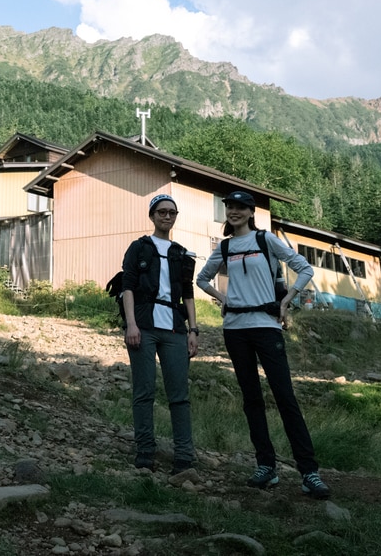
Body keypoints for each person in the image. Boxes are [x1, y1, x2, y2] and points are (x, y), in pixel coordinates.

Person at [195, 190, 332, 499]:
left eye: (241, 207)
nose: (234, 211)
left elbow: (304, 268)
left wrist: (286, 300)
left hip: (267, 327)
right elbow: (202, 279)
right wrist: (223, 299)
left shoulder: (265, 240)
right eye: (230, 206)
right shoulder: (226, 247)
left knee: (285, 396)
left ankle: (309, 472)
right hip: (235, 329)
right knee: (251, 399)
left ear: (251, 212)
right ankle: (265, 467)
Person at [120, 193, 199, 474]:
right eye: (162, 212)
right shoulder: (139, 247)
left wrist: (193, 330)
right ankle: (145, 453)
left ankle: (184, 456)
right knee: (144, 392)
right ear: (152, 215)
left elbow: (188, 293)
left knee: (179, 395)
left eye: (172, 213)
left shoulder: (181, 253)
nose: (167, 216)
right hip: (144, 325)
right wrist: (131, 324)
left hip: (175, 329)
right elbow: (127, 285)